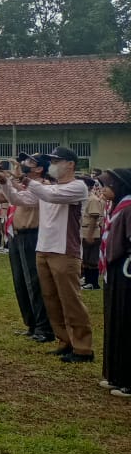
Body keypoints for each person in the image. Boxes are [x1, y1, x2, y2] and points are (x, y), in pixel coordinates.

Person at [20, 147, 94, 363]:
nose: (52, 164)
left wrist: (24, 179)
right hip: (44, 248)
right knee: (51, 299)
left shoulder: (77, 187)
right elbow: (20, 199)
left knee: (70, 300)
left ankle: (83, 348)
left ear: (70, 164)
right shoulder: (49, 189)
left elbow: (50, 196)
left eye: (56, 160)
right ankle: (65, 341)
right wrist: (4, 181)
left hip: (64, 251)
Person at [0, 154, 54, 343]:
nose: (23, 164)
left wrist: (10, 179)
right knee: (21, 282)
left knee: (35, 282)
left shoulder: (44, 187)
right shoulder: (23, 185)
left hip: (33, 235)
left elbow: (18, 199)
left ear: (40, 168)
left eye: (29, 162)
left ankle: (44, 327)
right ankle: (32, 324)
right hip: (17, 236)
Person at [97, 169, 131, 396]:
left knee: (125, 322)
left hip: (126, 270)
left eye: (108, 185)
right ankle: (114, 374)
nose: (103, 188)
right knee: (114, 320)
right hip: (114, 269)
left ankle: (127, 379)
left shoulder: (128, 208)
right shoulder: (117, 208)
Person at [80, 176, 104, 290]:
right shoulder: (85, 198)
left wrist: (90, 234)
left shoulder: (93, 199)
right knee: (85, 258)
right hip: (84, 231)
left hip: (92, 232)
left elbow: (94, 217)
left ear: (88, 186)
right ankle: (87, 280)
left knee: (91, 259)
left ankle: (93, 283)